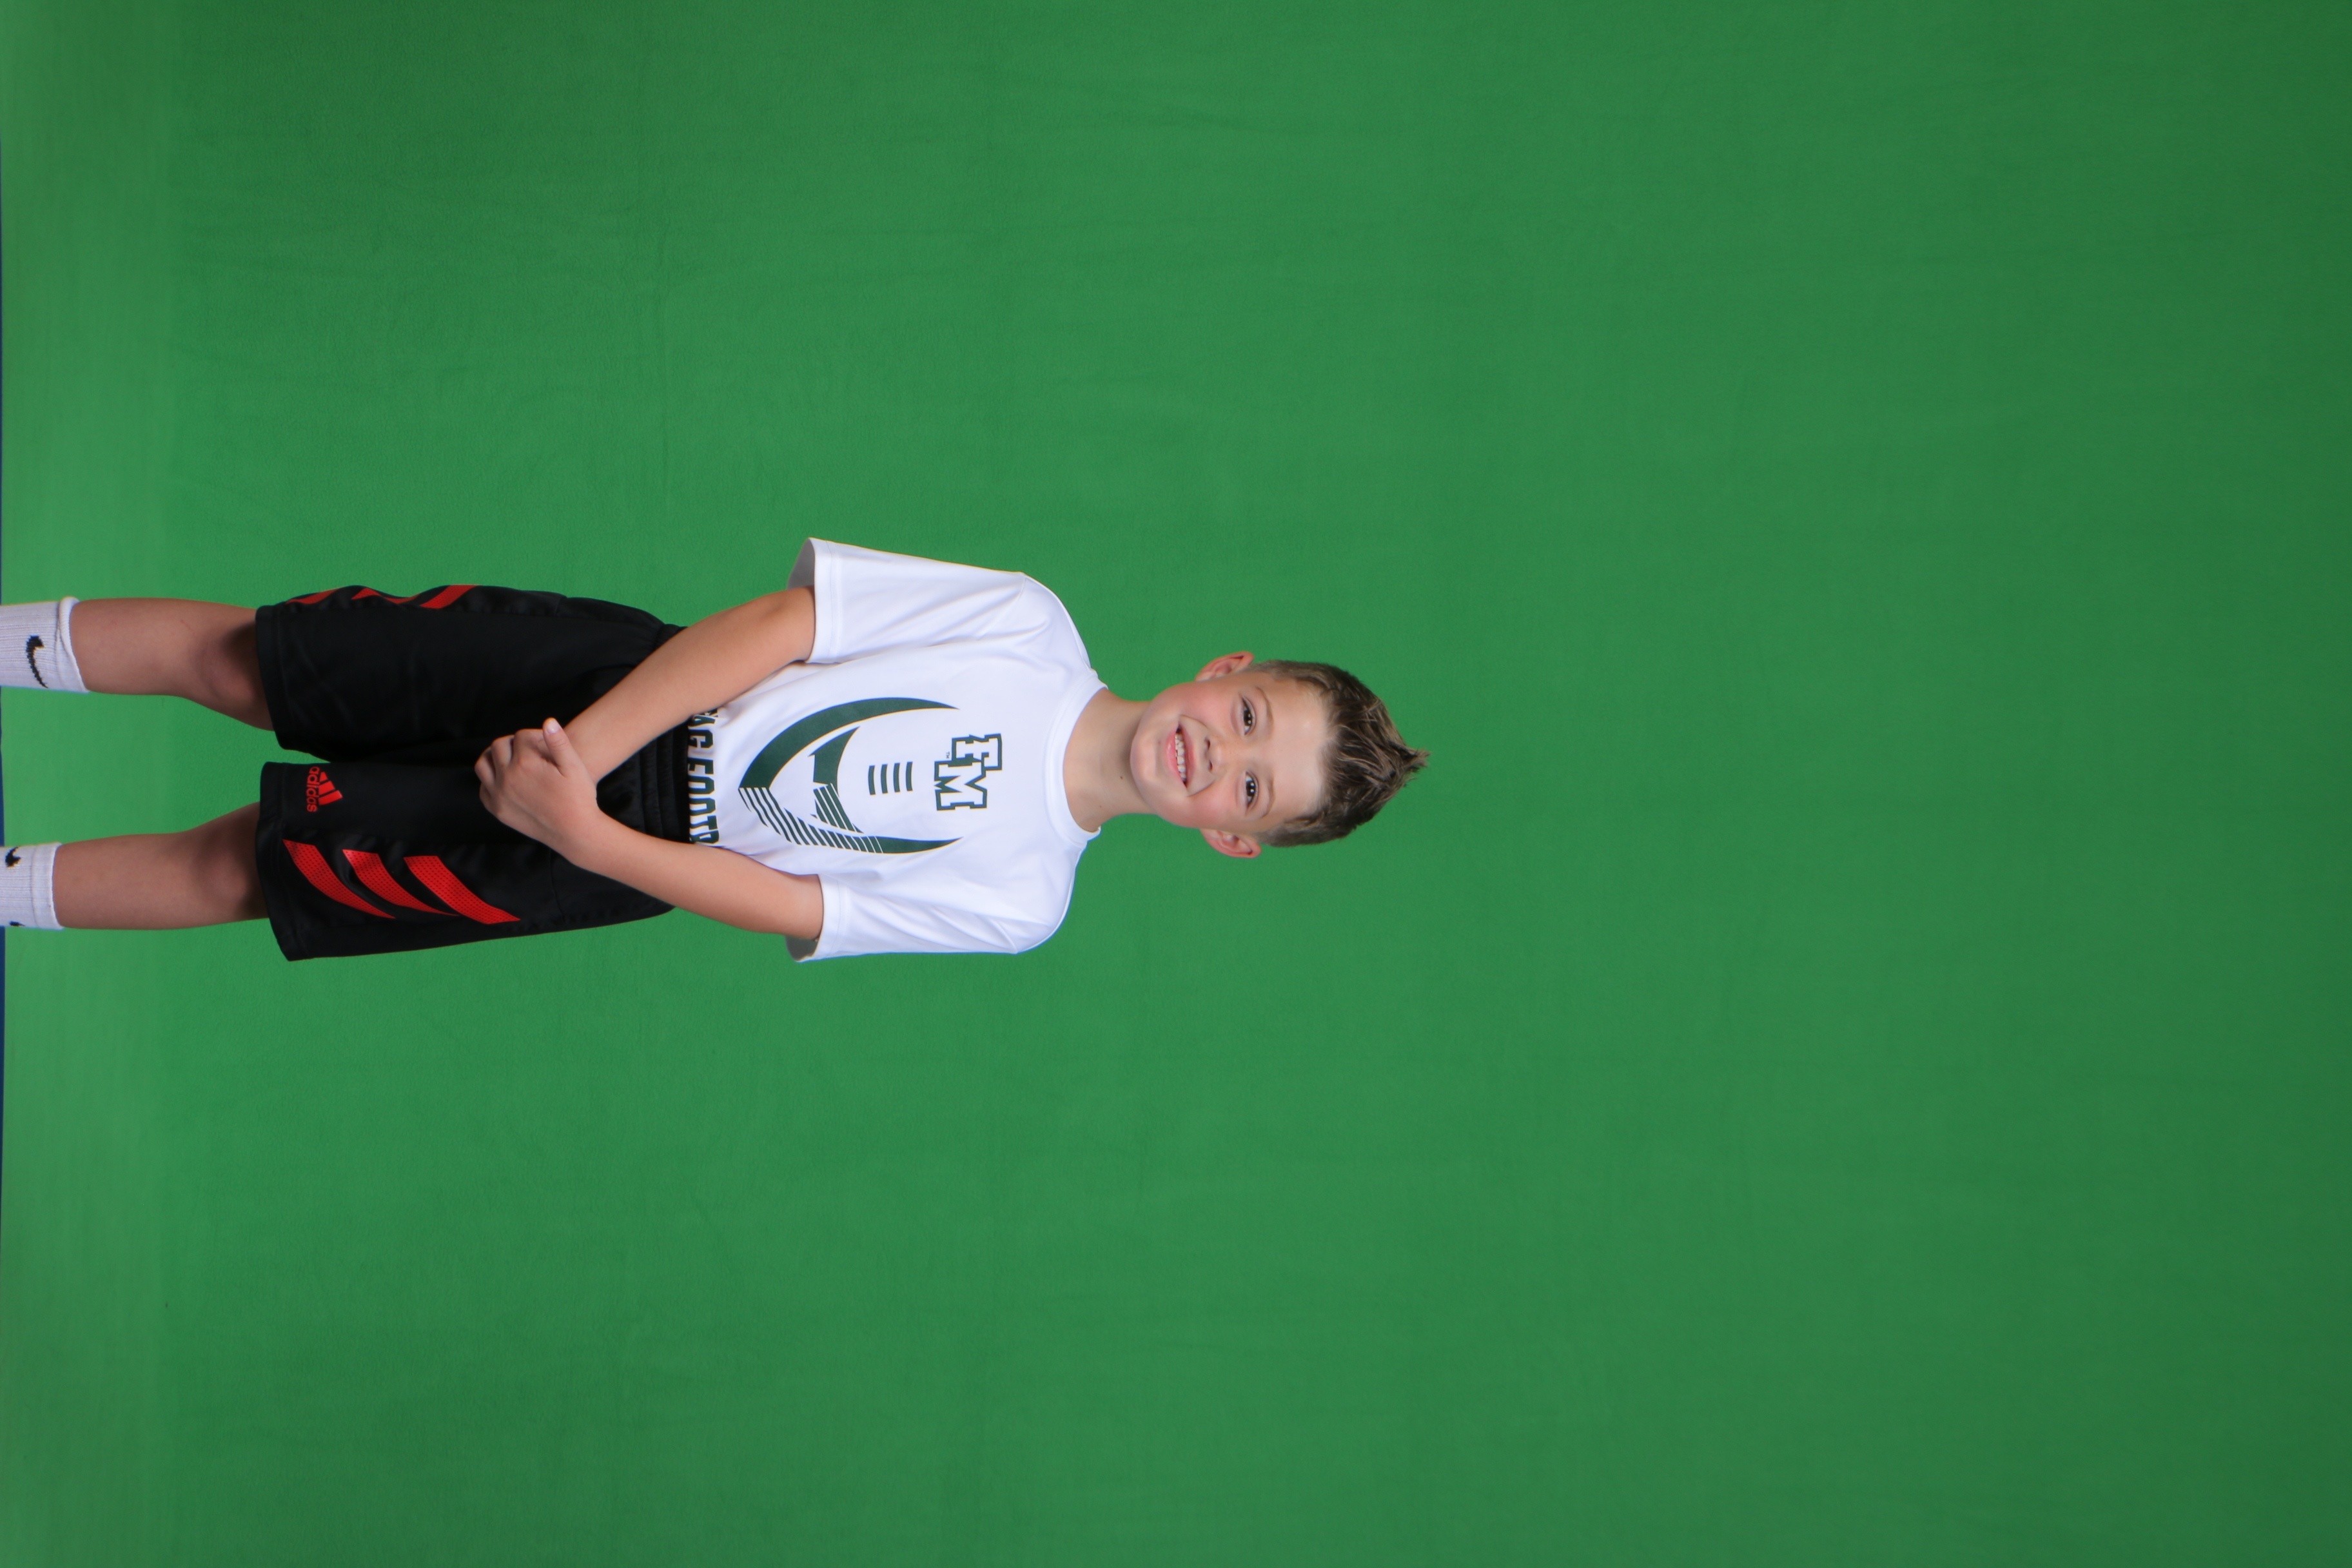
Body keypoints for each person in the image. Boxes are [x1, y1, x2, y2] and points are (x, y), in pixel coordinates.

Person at [0, 540, 1426, 961]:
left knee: (252, 871)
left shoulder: (1022, 902)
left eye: (1253, 789)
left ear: (1231, 837)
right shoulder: (1027, 624)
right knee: (251, 662)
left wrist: (584, 832)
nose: (1217, 755)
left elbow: (801, 904)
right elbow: (789, 624)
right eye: (1250, 718)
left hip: (607, 854)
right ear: (1226, 672)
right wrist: (578, 750)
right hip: (605, 685)